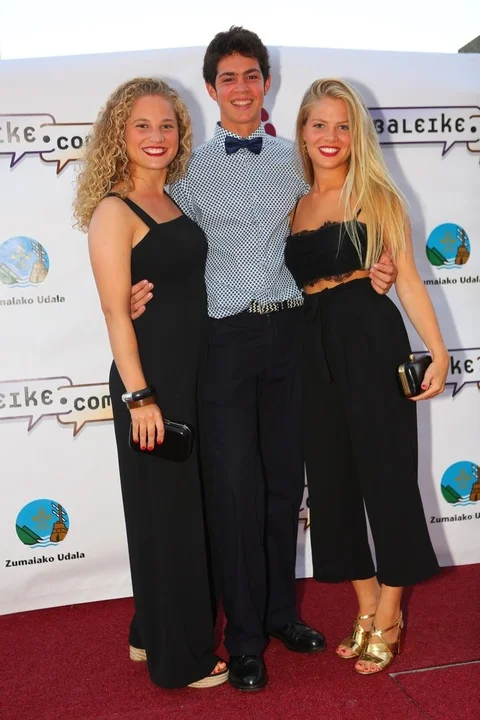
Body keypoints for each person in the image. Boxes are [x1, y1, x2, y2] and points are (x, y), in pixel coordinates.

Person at [130, 28, 397, 691]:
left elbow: (341, 219)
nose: (242, 88)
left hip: (292, 336)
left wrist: (377, 266)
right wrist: (132, 291)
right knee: (235, 491)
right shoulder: (186, 170)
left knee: (283, 486)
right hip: (223, 342)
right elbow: (153, 233)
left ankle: (282, 615)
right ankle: (245, 638)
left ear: (267, 81)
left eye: (252, 75)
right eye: (228, 78)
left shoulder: (296, 161)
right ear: (212, 88)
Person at [284, 78, 448, 675]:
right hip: (312, 347)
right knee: (330, 485)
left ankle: (391, 614)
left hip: (371, 341)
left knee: (387, 477)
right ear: (303, 131)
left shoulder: (377, 195)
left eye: (343, 125)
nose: (331, 136)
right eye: (319, 124)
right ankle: (365, 603)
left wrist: (438, 351)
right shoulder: (295, 204)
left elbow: (407, 279)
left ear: (358, 135)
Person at [73, 77, 228, 690]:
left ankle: (149, 630)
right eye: (142, 125)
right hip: (151, 383)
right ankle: (181, 660)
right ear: (120, 133)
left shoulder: (173, 200)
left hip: (191, 375)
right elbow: (116, 312)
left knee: (175, 513)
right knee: (169, 518)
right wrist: (140, 396)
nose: (156, 136)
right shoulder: (114, 210)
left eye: (167, 125)